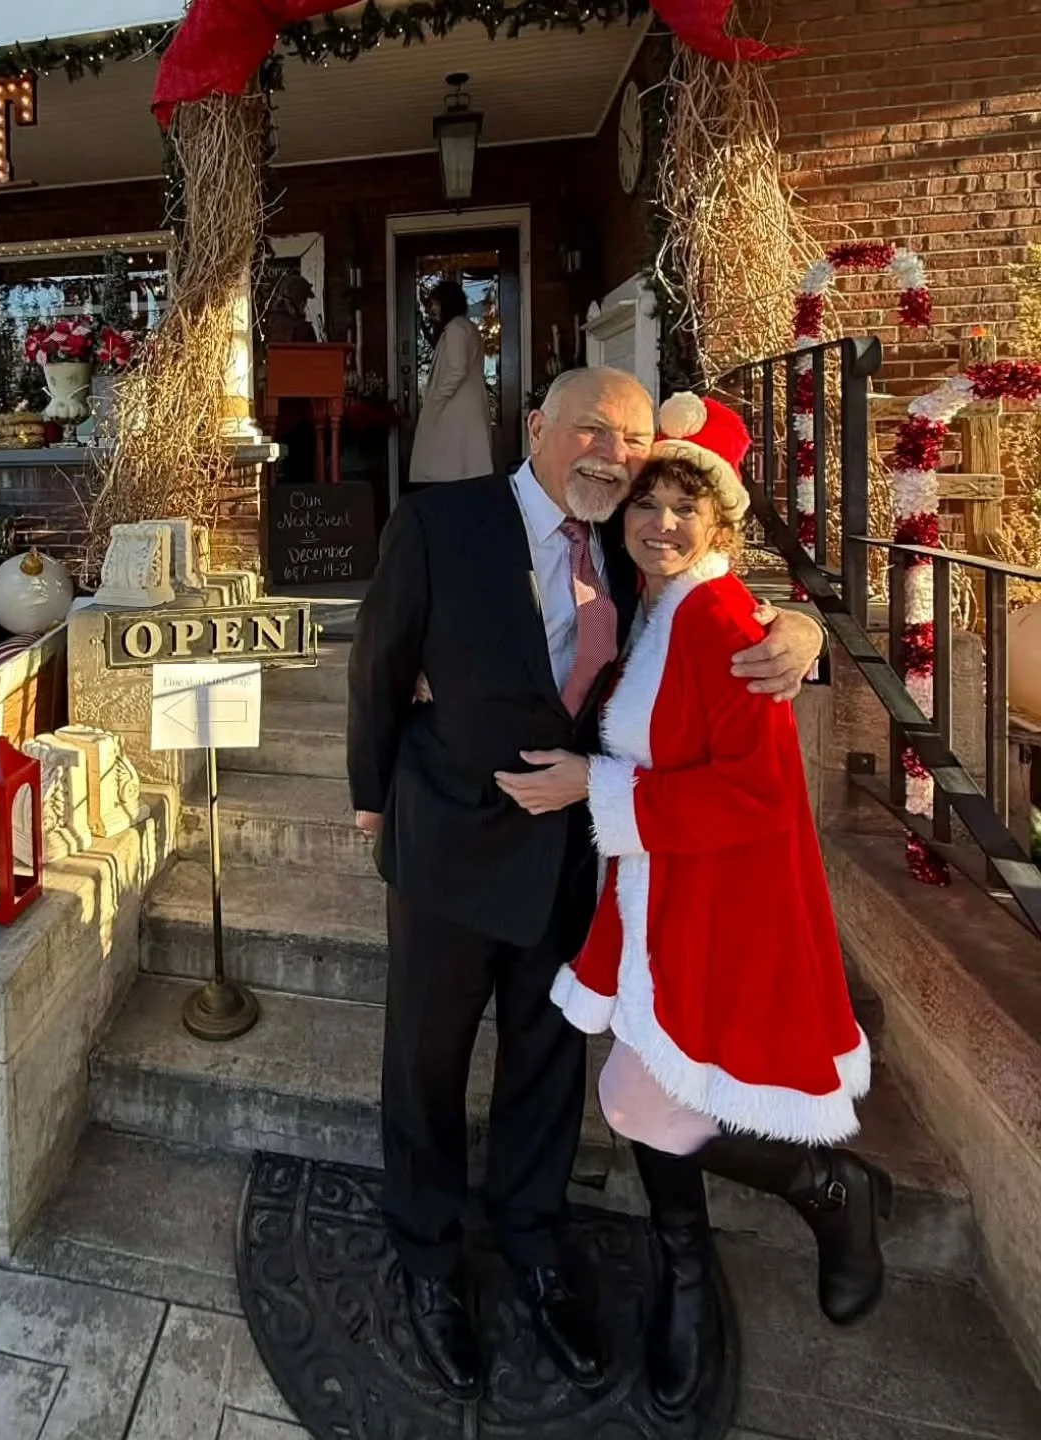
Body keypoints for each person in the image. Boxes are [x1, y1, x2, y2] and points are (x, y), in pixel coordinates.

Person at [347, 366, 826, 1402]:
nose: (615, 458)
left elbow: (712, 578)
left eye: (634, 441)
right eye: (596, 434)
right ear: (538, 428)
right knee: (424, 1067)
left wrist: (800, 630)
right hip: (449, 843)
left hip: (573, 857)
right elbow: (378, 660)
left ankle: (530, 1237)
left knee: (546, 1064)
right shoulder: (440, 522)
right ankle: (428, 1259)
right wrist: (370, 799)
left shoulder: (623, 533)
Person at [535, 393, 888, 1418]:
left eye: (688, 505)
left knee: (642, 1099)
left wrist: (590, 790)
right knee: (642, 1094)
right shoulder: (655, 604)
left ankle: (826, 1189)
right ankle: (685, 1265)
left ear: (722, 524)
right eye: (649, 499)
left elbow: (758, 791)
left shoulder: (722, 615)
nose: (661, 521)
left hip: (716, 902)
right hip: (660, 893)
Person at [407, 280, 492, 488]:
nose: (432, 308)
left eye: (435, 303)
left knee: (451, 471)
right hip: (463, 411)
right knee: (464, 470)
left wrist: (436, 399)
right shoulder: (466, 327)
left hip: (455, 411)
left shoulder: (455, 329)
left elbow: (457, 369)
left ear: (447, 302)